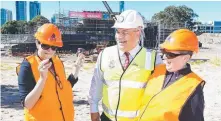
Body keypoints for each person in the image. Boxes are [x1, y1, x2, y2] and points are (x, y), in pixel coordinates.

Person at [88, 10, 162, 121]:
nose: (119, 37)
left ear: (138, 31)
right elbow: (96, 83)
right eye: (118, 31)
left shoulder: (153, 58)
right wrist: (93, 109)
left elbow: (160, 94)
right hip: (108, 118)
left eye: (125, 32)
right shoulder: (105, 54)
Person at [16, 23, 84, 121]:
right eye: (46, 45)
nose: (50, 51)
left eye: (53, 47)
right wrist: (42, 79)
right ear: (37, 43)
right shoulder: (27, 66)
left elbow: (64, 87)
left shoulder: (57, 62)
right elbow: (28, 104)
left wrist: (77, 68)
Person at [138, 29, 205, 121]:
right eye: (164, 52)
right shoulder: (157, 71)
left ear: (185, 58)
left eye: (170, 54)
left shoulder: (193, 86)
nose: (164, 58)